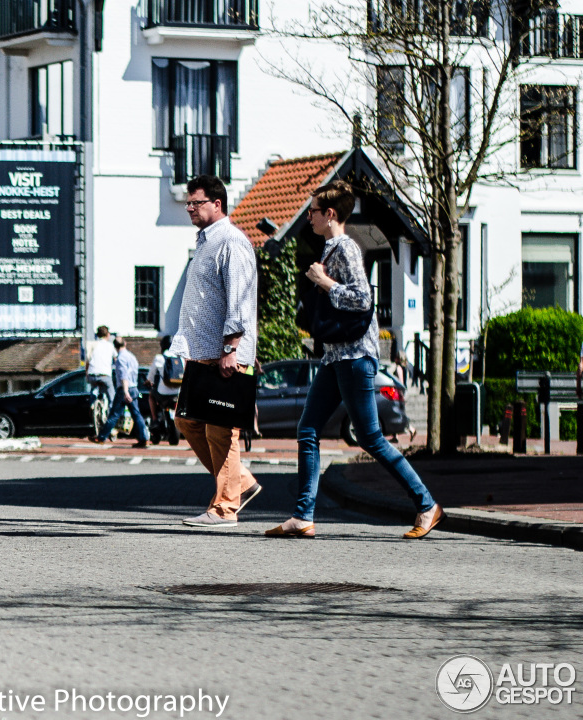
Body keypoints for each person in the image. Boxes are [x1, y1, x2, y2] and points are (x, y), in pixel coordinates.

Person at [266, 180, 442, 539]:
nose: (309, 217)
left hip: (355, 356)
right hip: (335, 357)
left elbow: (363, 299)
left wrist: (324, 282)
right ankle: (303, 516)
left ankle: (426, 505)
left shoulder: (344, 247)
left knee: (371, 438)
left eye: (313, 211)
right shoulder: (332, 248)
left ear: (330, 214)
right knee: (308, 429)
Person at [170, 175, 263, 529]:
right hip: (202, 351)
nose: (190, 208)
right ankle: (241, 482)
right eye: (188, 203)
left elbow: (238, 298)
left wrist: (232, 347)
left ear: (217, 204)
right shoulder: (206, 242)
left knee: (220, 430)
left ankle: (225, 508)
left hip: (222, 353)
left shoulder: (231, 242)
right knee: (187, 420)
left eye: (196, 202)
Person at [92, 336, 150, 447]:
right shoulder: (132, 357)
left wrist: (125, 391)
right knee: (136, 414)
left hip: (124, 389)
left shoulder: (120, 359)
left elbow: (124, 376)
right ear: (125, 343)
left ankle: (102, 437)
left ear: (115, 346)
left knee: (114, 414)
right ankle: (144, 438)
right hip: (134, 388)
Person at [145, 335, 181, 442]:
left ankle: (155, 419)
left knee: (151, 395)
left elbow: (150, 376)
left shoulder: (159, 358)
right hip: (177, 393)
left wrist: (148, 381)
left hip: (162, 393)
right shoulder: (179, 358)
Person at [86, 325, 116, 404]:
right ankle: (112, 414)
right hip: (105, 375)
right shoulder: (110, 346)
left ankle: (92, 405)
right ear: (108, 335)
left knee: (94, 389)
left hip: (92, 375)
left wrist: (87, 375)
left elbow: (87, 361)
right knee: (112, 397)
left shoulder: (92, 345)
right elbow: (116, 359)